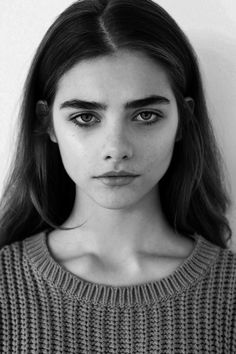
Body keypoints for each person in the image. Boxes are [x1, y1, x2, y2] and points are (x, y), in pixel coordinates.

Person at [0, 0, 235, 352]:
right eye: (85, 117)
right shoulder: (5, 287)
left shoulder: (229, 295)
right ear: (46, 123)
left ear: (183, 120)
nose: (116, 148)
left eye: (145, 115)